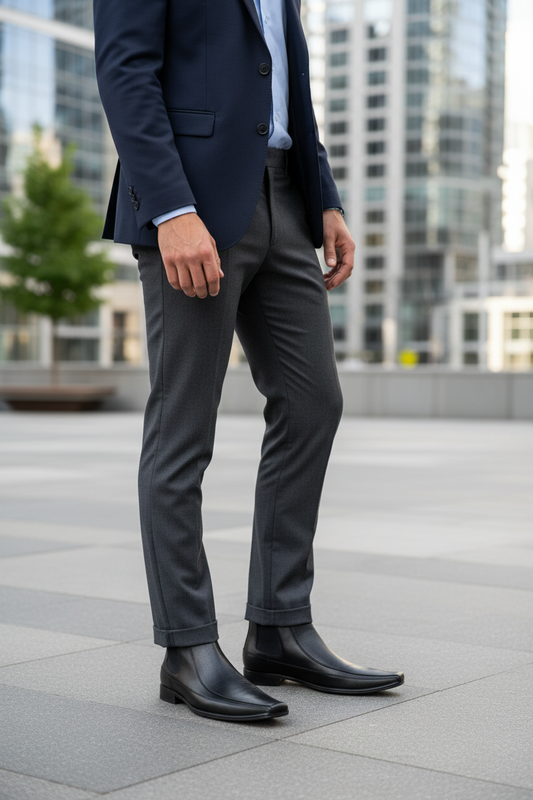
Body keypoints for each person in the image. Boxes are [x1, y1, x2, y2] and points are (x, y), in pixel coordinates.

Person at [93, 0, 404, 723]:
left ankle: (280, 628)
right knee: (183, 427)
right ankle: (187, 649)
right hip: (192, 201)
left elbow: (287, 81)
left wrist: (321, 195)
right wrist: (170, 209)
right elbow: (124, 70)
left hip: (286, 199)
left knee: (312, 403)